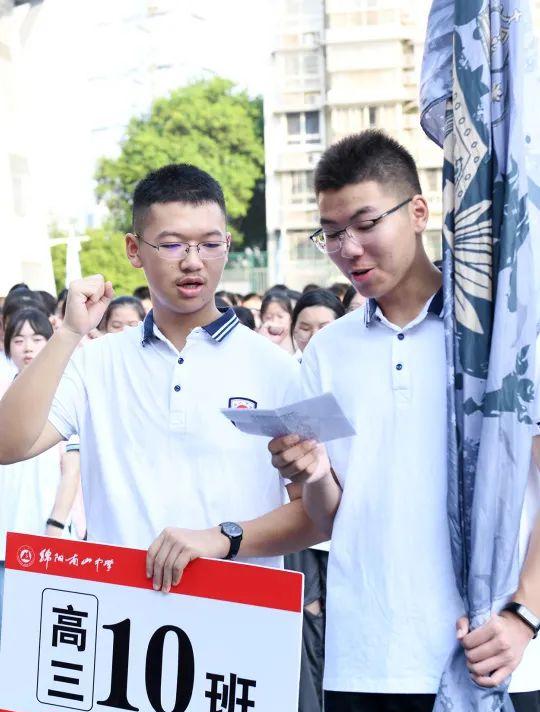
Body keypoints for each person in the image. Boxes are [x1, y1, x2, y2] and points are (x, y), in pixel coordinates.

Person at [269, 130, 540, 712]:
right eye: (332, 232)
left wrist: (526, 613)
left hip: (491, 660)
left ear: (418, 212)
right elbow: (328, 518)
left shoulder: (497, 333)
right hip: (363, 659)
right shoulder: (328, 351)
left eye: (366, 224)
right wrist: (314, 474)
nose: (349, 248)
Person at [0, 163, 324, 605]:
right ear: (135, 249)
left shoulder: (278, 369)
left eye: (211, 244)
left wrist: (222, 539)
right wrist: (68, 334)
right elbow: (8, 444)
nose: (193, 261)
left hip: (239, 621)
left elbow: (314, 513)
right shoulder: (97, 362)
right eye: (172, 244)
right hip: (118, 615)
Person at [0, 308, 82, 635]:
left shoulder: (66, 392)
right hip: (5, 535)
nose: (28, 347)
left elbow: (71, 469)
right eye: (18, 339)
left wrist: (56, 524)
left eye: (37, 338)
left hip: (45, 534)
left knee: (42, 630)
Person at [287, 287, 345, 712]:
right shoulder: (289, 376)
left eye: (323, 326)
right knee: (308, 622)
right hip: (305, 530)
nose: (312, 336)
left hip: (342, 539)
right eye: (303, 327)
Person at [291, 289, 345, 354]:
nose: (314, 336)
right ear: (294, 330)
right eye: (305, 329)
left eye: (324, 328)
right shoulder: (290, 363)